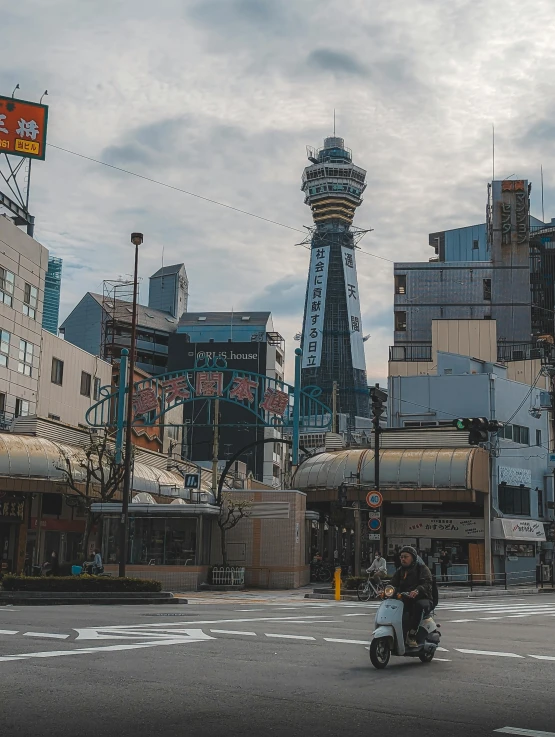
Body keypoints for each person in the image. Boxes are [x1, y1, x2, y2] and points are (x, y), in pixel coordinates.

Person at [388, 545, 433, 648]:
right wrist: (386, 589)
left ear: (413, 557)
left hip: (423, 598)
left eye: (405, 557)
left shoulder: (421, 568)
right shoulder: (400, 571)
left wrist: (417, 590)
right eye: (401, 557)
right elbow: (393, 583)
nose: (403, 559)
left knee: (418, 605)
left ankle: (412, 635)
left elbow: (427, 583)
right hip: (405, 598)